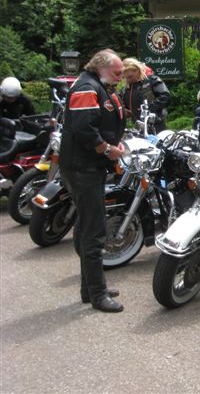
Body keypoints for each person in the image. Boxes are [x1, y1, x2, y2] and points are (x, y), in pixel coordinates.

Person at [59, 49, 126, 313]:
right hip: (82, 168)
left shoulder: (95, 84)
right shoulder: (87, 87)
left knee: (87, 227)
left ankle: (90, 289)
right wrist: (108, 149)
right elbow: (84, 129)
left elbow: (99, 123)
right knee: (94, 232)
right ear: (102, 67)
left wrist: (114, 142)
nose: (120, 76)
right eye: (117, 72)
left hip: (86, 167)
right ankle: (97, 294)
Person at [119, 57, 171, 131]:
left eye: (130, 76)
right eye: (125, 77)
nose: (128, 79)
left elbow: (165, 97)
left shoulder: (152, 80)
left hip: (156, 124)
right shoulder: (126, 89)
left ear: (137, 70)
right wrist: (125, 110)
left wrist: (148, 108)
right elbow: (122, 104)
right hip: (138, 125)